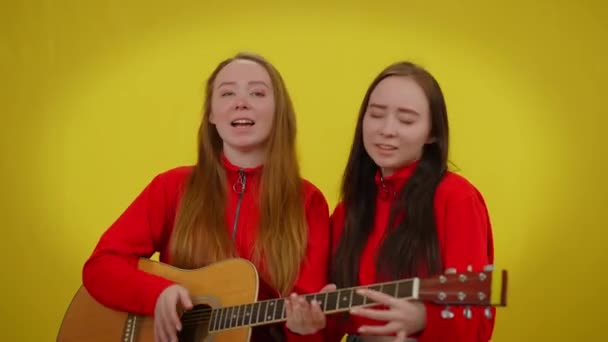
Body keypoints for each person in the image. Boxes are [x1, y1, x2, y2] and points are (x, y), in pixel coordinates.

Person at [82, 52, 332, 342]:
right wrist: (157, 294)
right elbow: (100, 267)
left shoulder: (308, 201)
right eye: (227, 93)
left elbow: (310, 322)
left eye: (257, 92)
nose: (241, 102)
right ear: (212, 114)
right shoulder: (171, 186)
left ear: (279, 112)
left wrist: (306, 330)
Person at [287, 61, 496, 341]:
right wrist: (308, 326)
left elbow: (477, 326)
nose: (387, 130)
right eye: (375, 115)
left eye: (406, 120)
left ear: (433, 133)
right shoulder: (348, 210)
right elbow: (332, 328)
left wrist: (425, 318)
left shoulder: (456, 198)